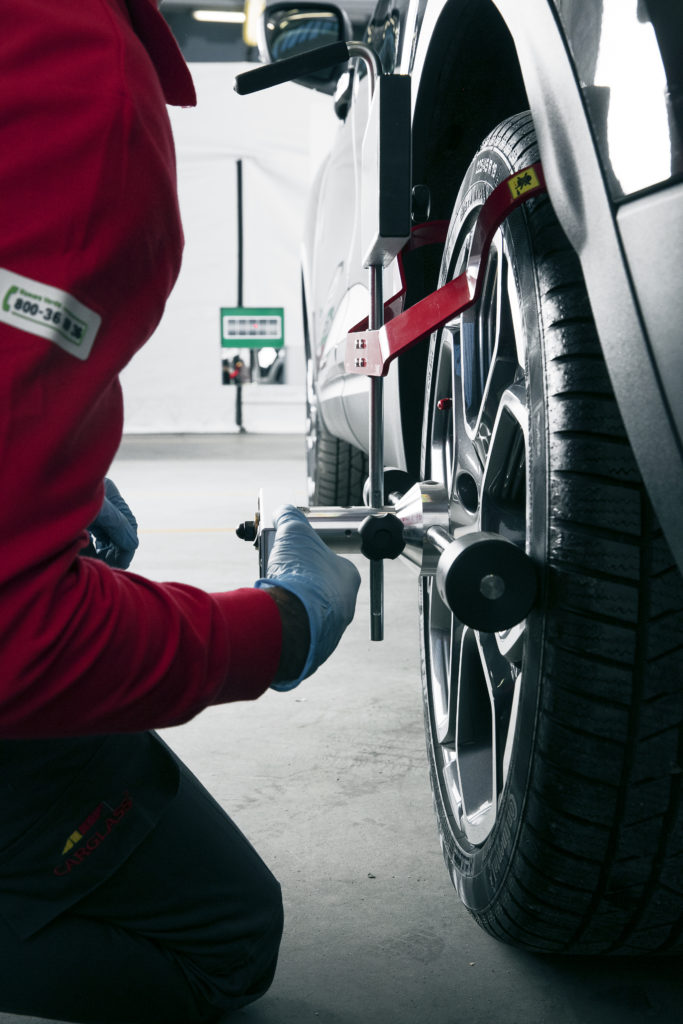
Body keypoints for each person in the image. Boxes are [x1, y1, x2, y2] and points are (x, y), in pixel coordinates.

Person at [0, 2, 360, 1022]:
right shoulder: (71, 92)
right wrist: (276, 626)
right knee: (223, 936)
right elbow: (13, 632)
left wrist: (47, 481)